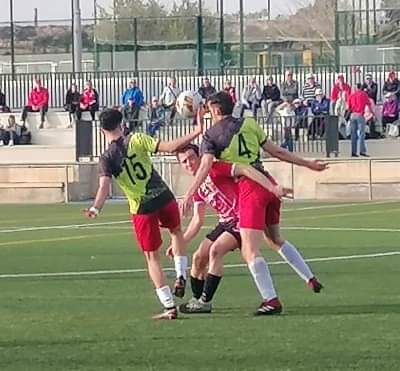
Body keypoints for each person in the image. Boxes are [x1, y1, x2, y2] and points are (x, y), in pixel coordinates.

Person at [180, 91, 328, 315]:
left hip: (250, 188)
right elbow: (277, 151)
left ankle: (271, 300)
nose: (208, 112)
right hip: (267, 178)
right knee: (275, 239)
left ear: (217, 109)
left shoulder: (212, 136)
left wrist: (190, 192)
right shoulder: (249, 124)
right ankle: (309, 277)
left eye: (210, 109)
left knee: (249, 250)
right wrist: (306, 163)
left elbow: (205, 167)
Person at [83, 108, 203, 320]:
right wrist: (197, 131)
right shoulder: (136, 139)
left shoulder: (106, 157)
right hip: (163, 195)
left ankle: (169, 306)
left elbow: (104, 187)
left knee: (152, 257)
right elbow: (170, 147)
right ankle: (181, 274)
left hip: (142, 207)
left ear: (102, 130)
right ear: (122, 123)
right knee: (176, 232)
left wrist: (95, 208)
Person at [348, 83, 371, 157]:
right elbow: (368, 104)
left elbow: (349, 107)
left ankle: (353, 152)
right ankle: (362, 151)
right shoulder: (364, 94)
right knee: (361, 134)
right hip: (360, 114)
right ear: (361, 87)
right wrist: (371, 113)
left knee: (353, 134)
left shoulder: (351, 95)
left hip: (353, 115)